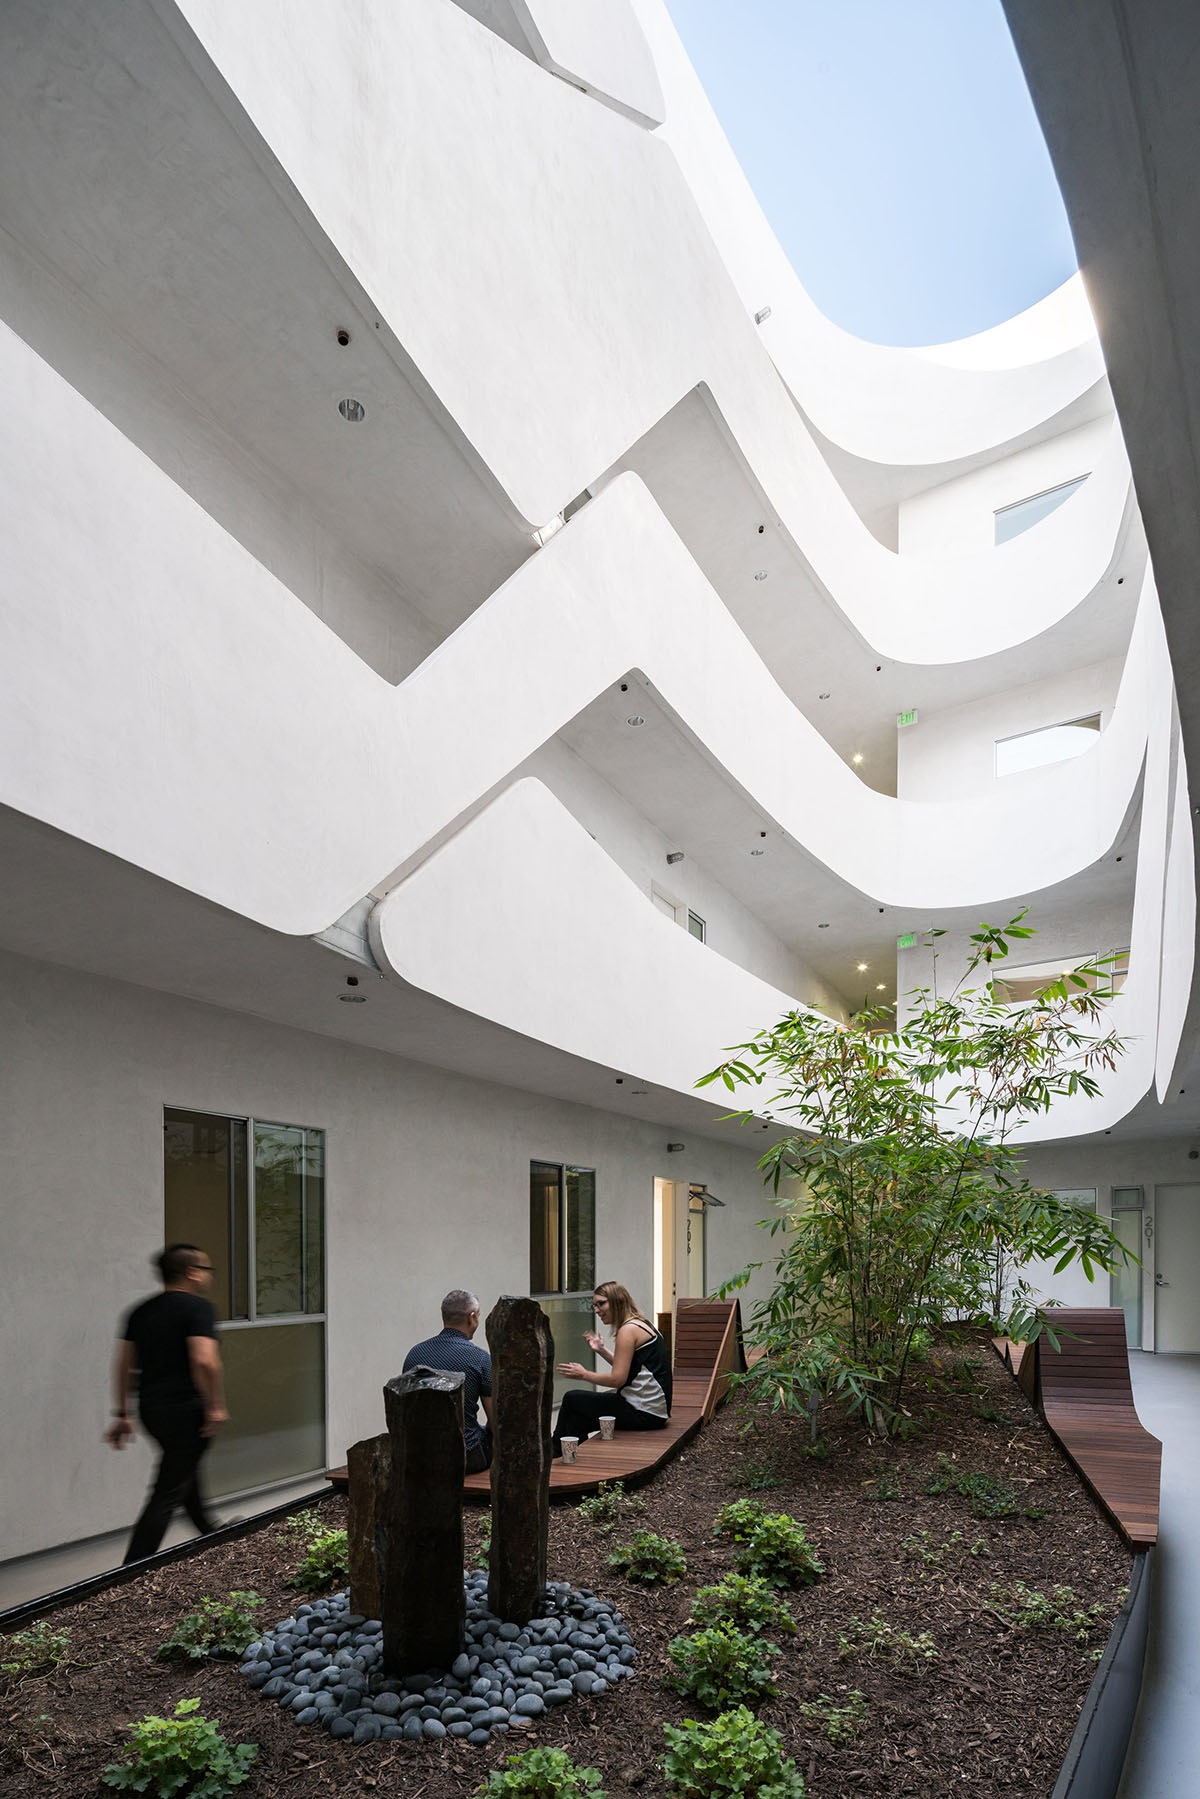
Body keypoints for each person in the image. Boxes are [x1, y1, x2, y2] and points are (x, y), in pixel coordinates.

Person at [105, 1243, 228, 1563]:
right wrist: (214, 1403)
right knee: (168, 1488)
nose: (207, 1276)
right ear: (191, 1273)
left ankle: (210, 1530)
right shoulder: (198, 1309)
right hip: (187, 1409)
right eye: (205, 1269)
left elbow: (124, 1364)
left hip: (152, 1410)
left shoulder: (140, 1311)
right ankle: (131, 1567)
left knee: (182, 1466)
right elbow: (204, 1360)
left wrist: (122, 1413)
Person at [552, 1280, 671, 1455]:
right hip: (654, 1411)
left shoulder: (628, 1331)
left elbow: (618, 1379)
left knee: (572, 1398)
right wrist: (601, 1350)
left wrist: (584, 1374)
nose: (596, 1310)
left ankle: (554, 1454)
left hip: (644, 1413)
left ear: (617, 1301)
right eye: (594, 1305)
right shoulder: (641, 1323)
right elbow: (632, 1369)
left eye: (601, 1303)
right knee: (577, 1419)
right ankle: (568, 1457)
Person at [403, 1289, 495, 1473]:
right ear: (471, 1318)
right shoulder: (480, 1358)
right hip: (466, 1456)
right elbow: (496, 1417)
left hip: (421, 1455)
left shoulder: (415, 1354)